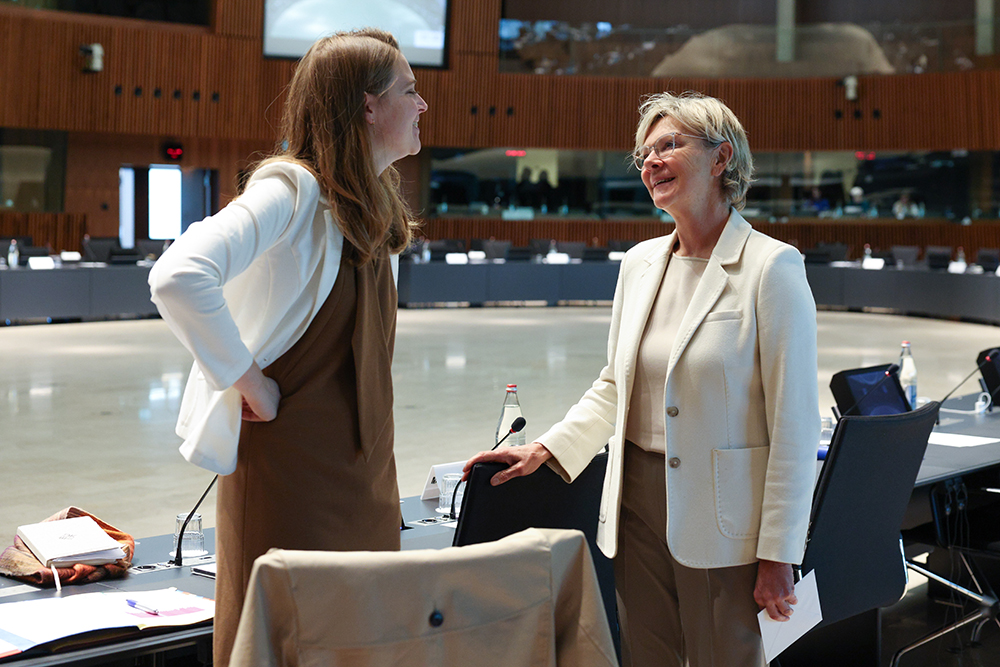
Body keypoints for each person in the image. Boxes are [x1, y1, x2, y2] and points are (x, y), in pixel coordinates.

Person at [464, 91, 819, 667]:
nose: (651, 161)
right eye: (644, 153)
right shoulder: (639, 263)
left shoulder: (771, 267)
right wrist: (548, 447)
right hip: (633, 505)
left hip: (725, 518)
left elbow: (795, 425)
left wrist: (779, 552)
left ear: (721, 157)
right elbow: (615, 384)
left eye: (669, 146)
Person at [148, 28, 427, 667]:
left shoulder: (368, 205)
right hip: (291, 479)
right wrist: (248, 380)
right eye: (410, 91)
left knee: (360, 641)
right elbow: (179, 274)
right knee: (284, 643)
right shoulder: (292, 191)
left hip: (367, 478)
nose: (422, 105)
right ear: (368, 106)